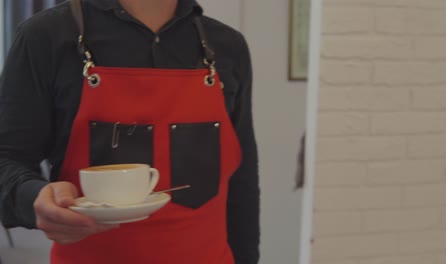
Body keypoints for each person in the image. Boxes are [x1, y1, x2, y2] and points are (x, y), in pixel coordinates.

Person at [0, 0, 260, 263]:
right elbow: (7, 158)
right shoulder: (45, 37)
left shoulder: (228, 46)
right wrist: (34, 197)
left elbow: (242, 183)